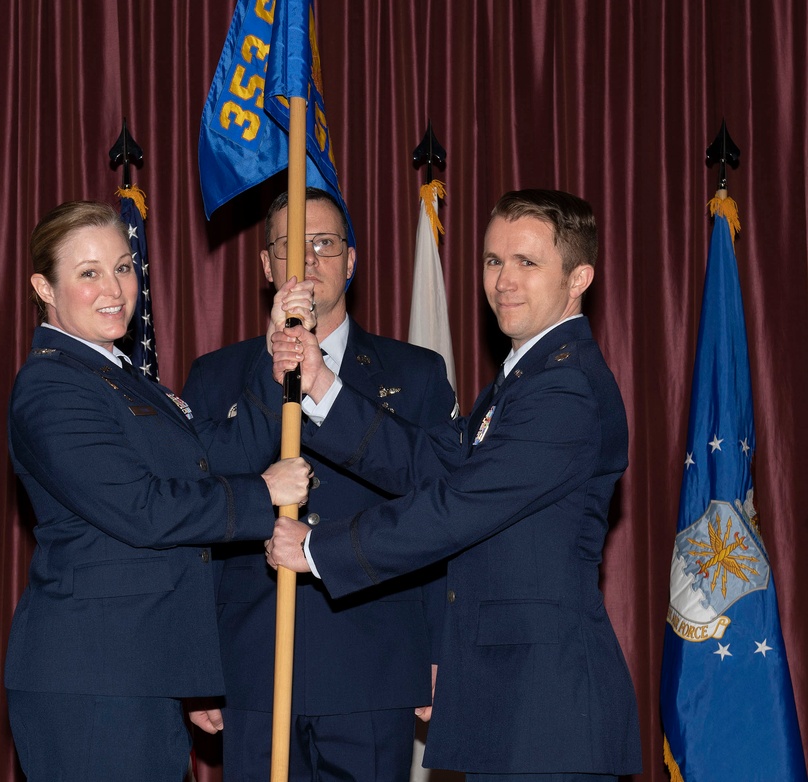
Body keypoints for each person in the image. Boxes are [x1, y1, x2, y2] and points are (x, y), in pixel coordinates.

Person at [267, 189, 644, 781]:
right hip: (508, 701)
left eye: (527, 263)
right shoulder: (521, 381)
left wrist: (319, 549)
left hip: (549, 714)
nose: (504, 282)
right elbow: (439, 467)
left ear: (579, 278)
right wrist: (321, 385)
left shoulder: (564, 390)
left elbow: (460, 505)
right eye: (494, 261)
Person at [4, 200, 312, 781]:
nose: (115, 288)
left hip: (141, 672)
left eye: (124, 267)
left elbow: (213, 453)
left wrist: (275, 352)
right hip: (92, 681)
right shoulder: (52, 387)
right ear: (44, 287)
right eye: (88, 273)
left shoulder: (114, 375)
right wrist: (260, 494)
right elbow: (141, 510)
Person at [182, 188, 457, 781]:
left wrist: (440, 650)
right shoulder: (215, 376)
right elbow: (195, 526)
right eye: (287, 247)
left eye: (323, 244)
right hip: (252, 669)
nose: (305, 262)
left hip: (373, 661)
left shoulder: (415, 375)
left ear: (351, 261)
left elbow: (440, 517)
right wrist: (194, 661)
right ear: (266, 267)